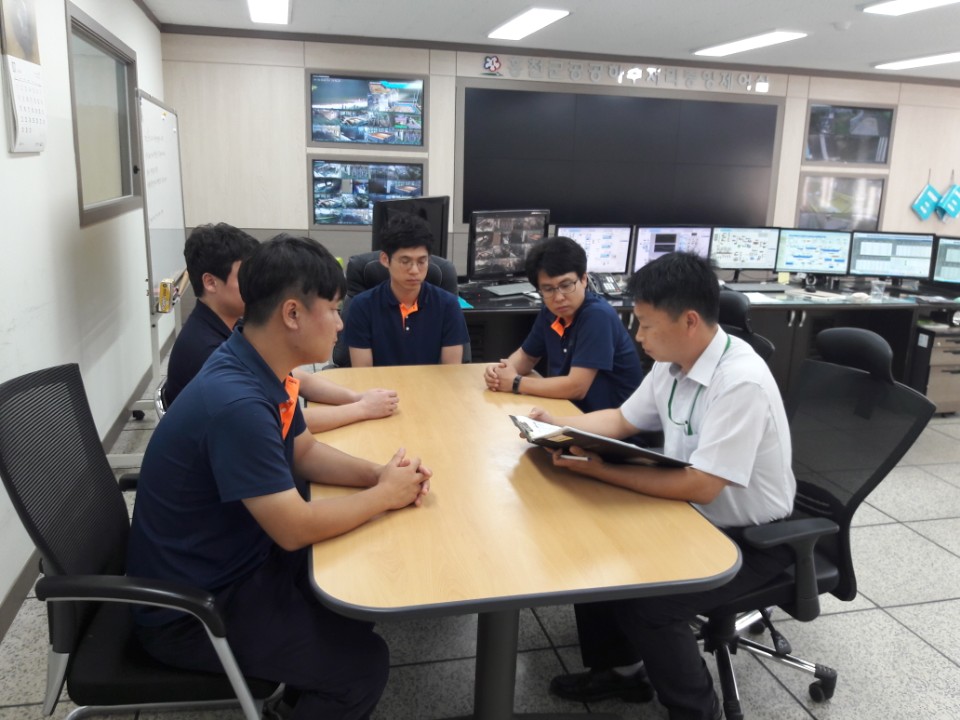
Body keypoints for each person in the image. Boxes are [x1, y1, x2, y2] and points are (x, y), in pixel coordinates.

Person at [127, 235, 431, 720]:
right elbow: (292, 528)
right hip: (194, 609)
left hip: (236, 557)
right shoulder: (238, 403)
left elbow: (303, 451)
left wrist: (380, 477)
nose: (340, 323)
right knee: (361, 667)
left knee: (356, 602)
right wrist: (383, 497)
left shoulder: (259, 364)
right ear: (292, 314)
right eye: (333, 310)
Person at [535, 252, 796, 720]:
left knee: (651, 606)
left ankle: (696, 711)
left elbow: (702, 485)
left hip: (751, 539)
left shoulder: (740, 382)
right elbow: (622, 419)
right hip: (693, 514)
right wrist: (552, 425)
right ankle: (623, 672)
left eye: (647, 325)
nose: (638, 336)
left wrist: (600, 470)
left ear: (689, 321)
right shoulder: (673, 360)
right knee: (591, 545)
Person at [166, 222, 398, 430]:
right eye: (244, 274)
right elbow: (273, 423)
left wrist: (357, 398)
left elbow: (295, 377)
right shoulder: (206, 352)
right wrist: (362, 409)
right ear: (210, 282)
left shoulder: (236, 325)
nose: (254, 281)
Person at [484, 236, 643, 412]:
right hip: (569, 410)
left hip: (608, 423)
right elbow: (527, 356)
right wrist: (500, 373)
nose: (559, 297)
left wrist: (515, 382)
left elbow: (577, 387)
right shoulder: (550, 312)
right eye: (548, 289)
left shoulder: (597, 315)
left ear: (584, 279)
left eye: (566, 285)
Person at [344, 213, 469, 367]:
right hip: (381, 383)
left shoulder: (448, 305)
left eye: (422, 262)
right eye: (405, 261)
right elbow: (363, 373)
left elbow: (451, 370)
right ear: (385, 260)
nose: (414, 270)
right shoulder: (362, 306)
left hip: (432, 382)